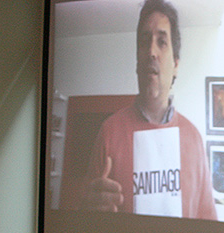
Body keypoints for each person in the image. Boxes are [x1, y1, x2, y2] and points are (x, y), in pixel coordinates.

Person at [82, 0, 217, 220]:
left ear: (175, 65)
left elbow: (208, 225)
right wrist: (89, 210)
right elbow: (86, 220)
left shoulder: (194, 138)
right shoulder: (108, 132)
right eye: (145, 42)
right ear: (137, 61)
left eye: (162, 42)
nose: (151, 52)